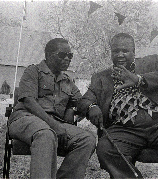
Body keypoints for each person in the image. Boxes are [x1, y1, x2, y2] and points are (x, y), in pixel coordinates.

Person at [78, 33, 158, 178]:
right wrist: (91, 107)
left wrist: (138, 79)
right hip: (124, 128)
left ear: (134, 52)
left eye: (125, 50)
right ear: (111, 53)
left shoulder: (150, 63)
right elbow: (85, 100)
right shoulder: (101, 78)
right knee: (106, 148)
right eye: (116, 51)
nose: (120, 55)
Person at [8, 38, 96, 178]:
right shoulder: (33, 71)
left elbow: (82, 102)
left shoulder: (68, 81)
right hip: (25, 118)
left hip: (54, 125)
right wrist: (54, 125)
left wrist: (82, 108)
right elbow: (29, 102)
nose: (67, 58)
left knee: (87, 139)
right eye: (62, 55)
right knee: (46, 134)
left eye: (70, 55)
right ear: (49, 55)